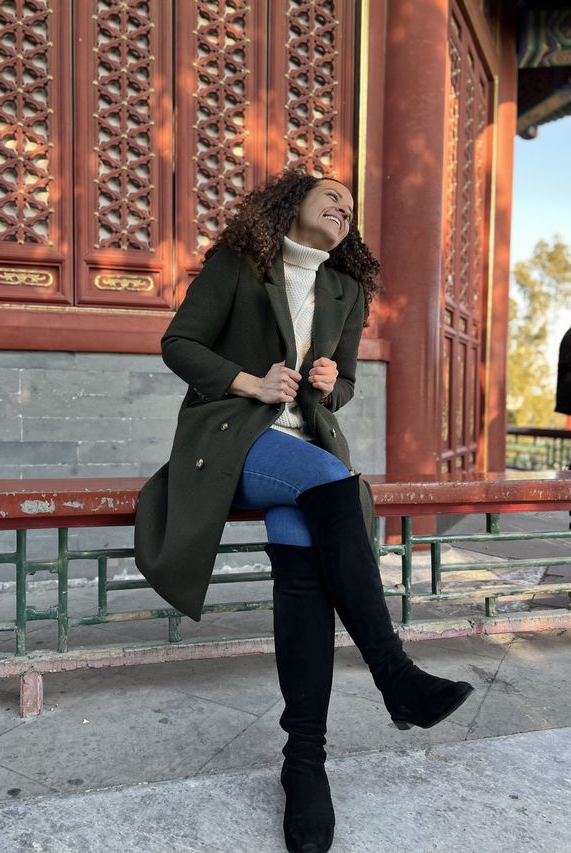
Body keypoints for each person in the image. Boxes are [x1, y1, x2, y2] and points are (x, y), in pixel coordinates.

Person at [134, 170, 474, 853]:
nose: (344, 206)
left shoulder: (345, 290)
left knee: (304, 575)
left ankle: (305, 763)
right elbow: (179, 343)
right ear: (291, 203)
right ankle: (395, 675)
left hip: (307, 456)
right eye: (332, 195)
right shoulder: (241, 263)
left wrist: (332, 383)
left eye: (351, 204)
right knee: (333, 483)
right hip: (236, 444)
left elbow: (343, 382)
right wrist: (249, 380)